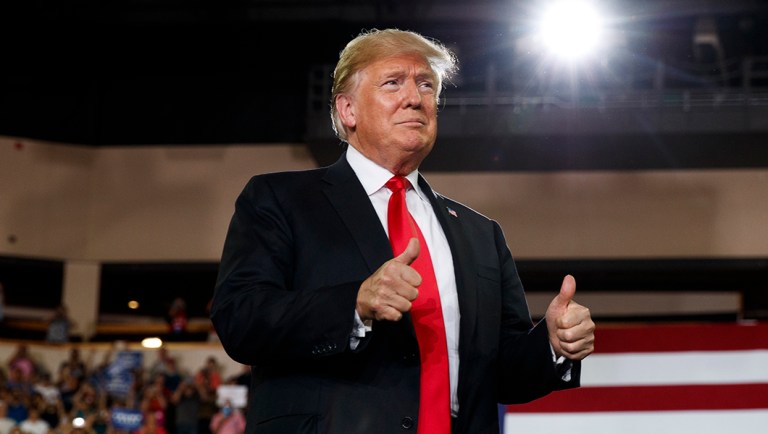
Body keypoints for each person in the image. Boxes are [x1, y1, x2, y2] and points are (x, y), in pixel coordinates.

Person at [210, 28, 595, 434]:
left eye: (426, 85)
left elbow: (500, 371)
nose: (415, 98)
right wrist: (354, 304)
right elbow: (241, 320)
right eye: (393, 82)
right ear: (348, 110)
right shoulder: (281, 199)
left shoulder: (482, 235)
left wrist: (552, 345)